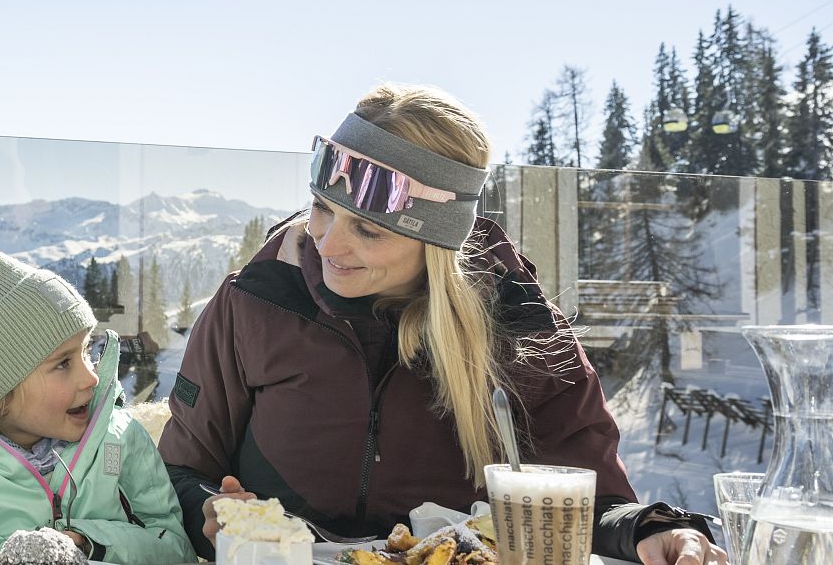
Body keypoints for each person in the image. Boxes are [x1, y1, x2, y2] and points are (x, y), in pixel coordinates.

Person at [158, 84, 725, 564]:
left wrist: (649, 529)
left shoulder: (516, 325)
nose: (329, 243)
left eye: (370, 230)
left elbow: (582, 497)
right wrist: (208, 508)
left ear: (436, 239)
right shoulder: (257, 301)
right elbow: (178, 472)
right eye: (323, 208)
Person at [0, 234, 192, 564]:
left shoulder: (118, 439)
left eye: (86, 352)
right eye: (63, 363)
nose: (90, 377)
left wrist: (89, 543)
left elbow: (176, 549)